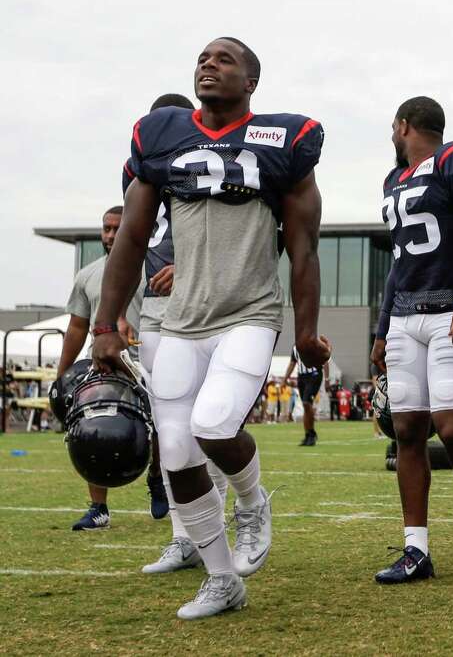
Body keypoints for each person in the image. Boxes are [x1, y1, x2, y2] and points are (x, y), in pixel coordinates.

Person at [92, 36, 329, 620]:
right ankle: (223, 579)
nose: (209, 63)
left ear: (251, 81)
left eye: (224, 59)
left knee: (214, 425)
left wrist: (306, 330)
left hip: (249, 311)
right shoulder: (162, 139)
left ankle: (252, 500)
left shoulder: (283, 142)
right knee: (174, 449)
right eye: (202, 57)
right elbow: (131, 238)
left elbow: (303, 249)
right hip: (181, 321)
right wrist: (105, 321)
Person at [369, 96, 453, 585]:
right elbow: (400, 263)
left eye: (392, 125)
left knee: (449, 427)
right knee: (406, 431)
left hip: (449, 309)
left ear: (403, 125)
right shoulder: (393, 180)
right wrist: (382, 328)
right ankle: (415, 549)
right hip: (404, 315)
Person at [127, 93, 233, 577]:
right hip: (154, 307)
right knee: (170, 426)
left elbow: (232, 235)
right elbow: (132, 242)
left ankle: (215, 531)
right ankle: (182, 535)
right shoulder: (137, 169)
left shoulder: (210, 159)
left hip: (204, 302)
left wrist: (189, 270)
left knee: (209, 422)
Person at [55, 206, 143, 531]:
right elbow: (77, 327)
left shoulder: (151, 267)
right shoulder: (88, 274)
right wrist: (62, 376)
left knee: (168, 429)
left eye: (117, 228)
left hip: (150, 360)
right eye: (106, 228)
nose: (110, 235)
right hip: (104, 364)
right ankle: (98, 508)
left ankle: (161, 481)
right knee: (95, 429)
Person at [284, 344, 327, 446]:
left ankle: (311, 433)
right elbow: (292, 363)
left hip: (314, 374)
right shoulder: (295, 347)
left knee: (307, 403)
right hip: (301, 377)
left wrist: (327, 379)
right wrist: (285, 379)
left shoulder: (314, 343)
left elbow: (325, 361)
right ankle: (308, 435)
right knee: (305, 405)